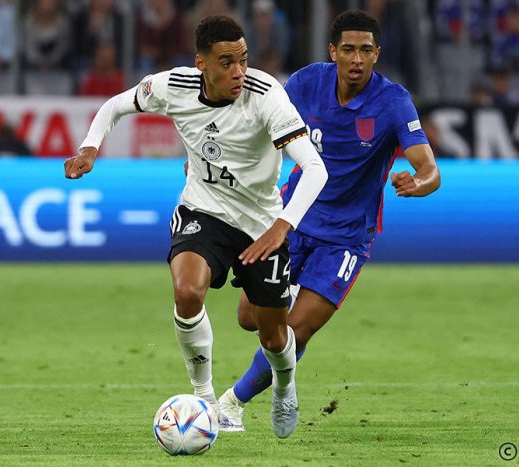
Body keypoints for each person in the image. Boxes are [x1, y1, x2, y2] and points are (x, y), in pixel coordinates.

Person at [64, 15, 327, 438]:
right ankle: (204, 399)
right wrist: (90, 147)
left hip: (261, 225)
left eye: (243, 60)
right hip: (203, 211)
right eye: (226, 62)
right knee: (187, 292)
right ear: (200, 63)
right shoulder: (174, 86)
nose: (239, 72)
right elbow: (116, 105)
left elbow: (315, 169)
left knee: (274, 337)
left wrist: (281, 227)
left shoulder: (266, 96)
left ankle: (284, 386)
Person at [216, 10, 441, 432]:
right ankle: (284, 369)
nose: (357, 59)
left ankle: (232, 404)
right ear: (333, 51)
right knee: (249, 317)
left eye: (366, 50)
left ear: (377, 54)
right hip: (291, 219)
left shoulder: (392, 102)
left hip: (346, 238)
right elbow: (260, 127)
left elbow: (430, 168)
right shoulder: (305, 83)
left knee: (294, 332)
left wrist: (419, 182)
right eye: (349, 49)